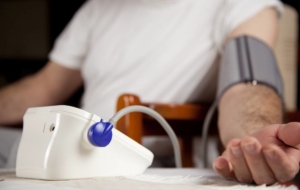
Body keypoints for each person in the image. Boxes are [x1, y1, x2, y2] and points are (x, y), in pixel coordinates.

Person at [0, 0, 299, 185]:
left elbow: (248, 82)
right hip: (69, 152)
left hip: (148, 162)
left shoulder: (239, 3)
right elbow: (43, 87)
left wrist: (253, 139)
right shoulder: (97, 8)